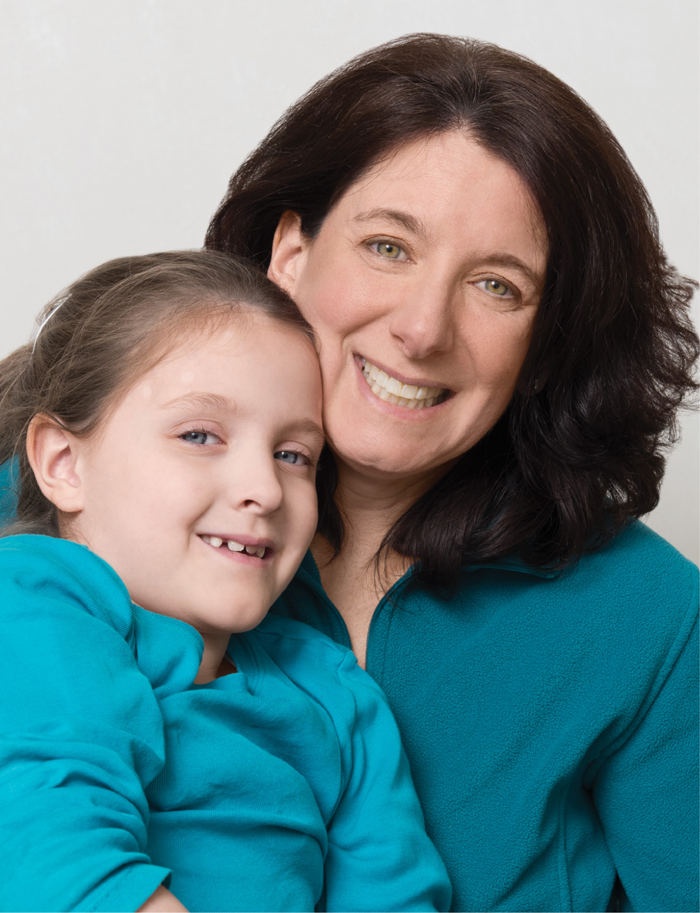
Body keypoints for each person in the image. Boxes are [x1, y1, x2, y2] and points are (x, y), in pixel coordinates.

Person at [205, 34, 700, 912]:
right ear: (289, 253)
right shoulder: (80, 500)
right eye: (389, 247)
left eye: (497, 286)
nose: (424, 328)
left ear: (549, 346)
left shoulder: (653, 621)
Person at [0, 250, 451, 913]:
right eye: (201, 435)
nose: (264, 488)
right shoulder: (33, 597)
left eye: (293, 454)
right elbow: (49, 839)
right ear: (64, 463)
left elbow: (397, 894)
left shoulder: (336, 694)